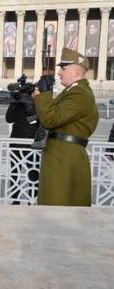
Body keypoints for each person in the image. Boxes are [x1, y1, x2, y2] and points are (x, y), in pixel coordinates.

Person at [32, 47, 98, 206]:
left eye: (63, 68)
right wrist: (35, 101)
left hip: (65, 157)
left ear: (76, 73)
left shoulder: (79, 93)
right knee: (53, 206)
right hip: (60, 154)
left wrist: (45, 94)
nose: (59, 72)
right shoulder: (72, 91)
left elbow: (51, 119)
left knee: (58, 209)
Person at [5, 87, 41, 204]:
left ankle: (32, 199)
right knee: (14, 172)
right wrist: (13, 104)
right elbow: (9, 119)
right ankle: (15, 199)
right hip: (16, 141)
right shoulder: (17, 102)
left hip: (31, 143)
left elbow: (36, 122)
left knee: (33, 172)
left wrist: (30, 108)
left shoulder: (37, 103)